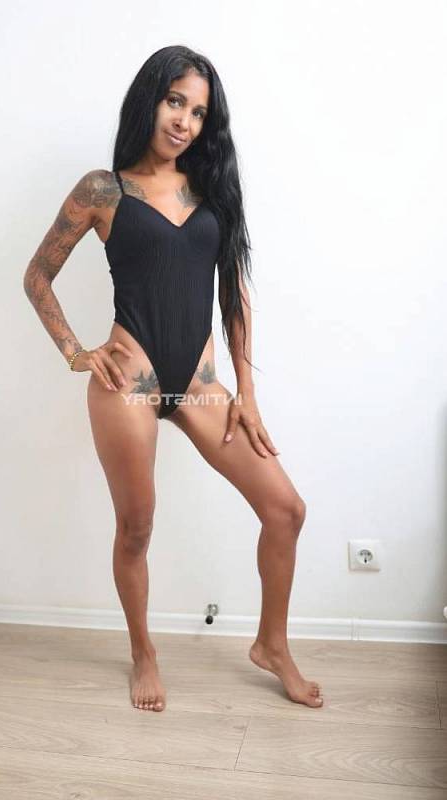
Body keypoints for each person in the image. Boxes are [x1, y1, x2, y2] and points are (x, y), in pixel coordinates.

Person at [23, 45, 324, 713]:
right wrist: (75, 351)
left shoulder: (213, 191)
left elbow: (234, 297)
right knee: (136, 529)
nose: (185, 120)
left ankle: (271, 644)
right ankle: (143, 652)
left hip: (199, 379)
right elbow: (37, 274)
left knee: (286, 510)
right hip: (129, 377)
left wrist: (248, 395)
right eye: (175, 101)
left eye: (199, 111)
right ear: (151, 99)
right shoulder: (103, 190)